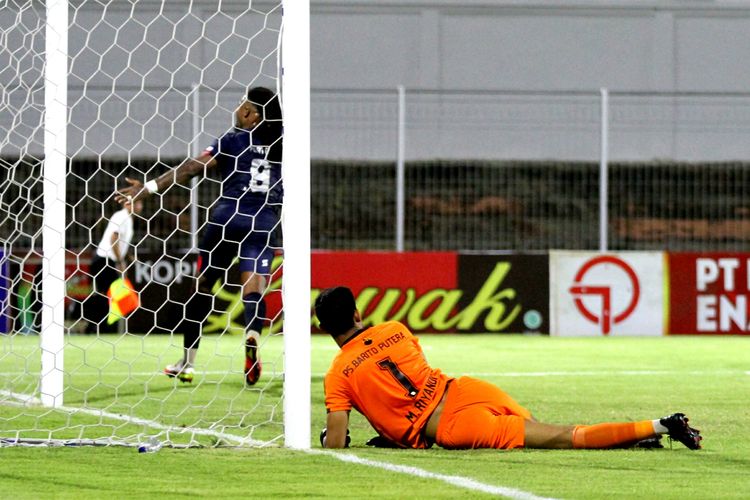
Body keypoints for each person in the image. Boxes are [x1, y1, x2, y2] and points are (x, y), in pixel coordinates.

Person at [314, 286, 702, 451]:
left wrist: (346, 439)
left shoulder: (338, 374)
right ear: (358, 312)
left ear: (323, 327)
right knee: (541, 426)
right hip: (466, 389)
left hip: (450, 427)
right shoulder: (394, 329)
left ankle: (657, 426)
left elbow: (337, 439)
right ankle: (636, 435)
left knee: (561, 438)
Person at [114, 86, 283, 386]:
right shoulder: (283, 146)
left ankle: (187, 362)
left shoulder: (233, 140)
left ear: (250, 113)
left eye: (242, 103)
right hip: (264, 220)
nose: (238, 107)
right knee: (253, 287)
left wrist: (148, 188)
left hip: (227, 217)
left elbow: (191, 168)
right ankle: (253, 335)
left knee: (203, 284)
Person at [85, 200, 143, 334]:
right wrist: (120, 261)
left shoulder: (127, 218)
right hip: (104, 260)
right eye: (136, 203)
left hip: (106, 260)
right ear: (126, 204)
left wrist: (128, 256)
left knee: (109, 296)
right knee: (108, 296)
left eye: (140, 203)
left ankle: (99, 327)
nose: (139, 206)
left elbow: (119, 241)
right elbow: (113, 238)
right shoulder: (121, 216)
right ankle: (97, 328)